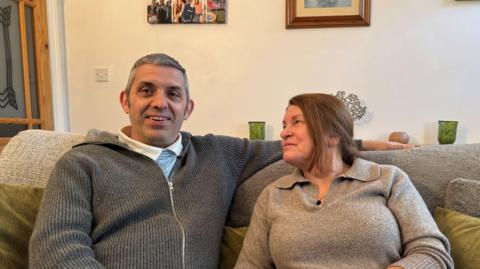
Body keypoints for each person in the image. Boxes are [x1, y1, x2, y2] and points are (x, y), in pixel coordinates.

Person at [28, 53, 412, 268]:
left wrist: (367, 143)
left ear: (188, 108)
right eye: (146, 91)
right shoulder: (83, 164)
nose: (160, 102)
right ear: (126, 101)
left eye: (173, 94)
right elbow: (56, 248)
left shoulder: (218, 154)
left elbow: (308, 142)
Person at [234, 93, 453, 269]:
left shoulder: (388, 179)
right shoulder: (274, 194)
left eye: (296, 122)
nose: (283, 133)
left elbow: (432, 252)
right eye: (284, 125)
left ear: (333, 134)